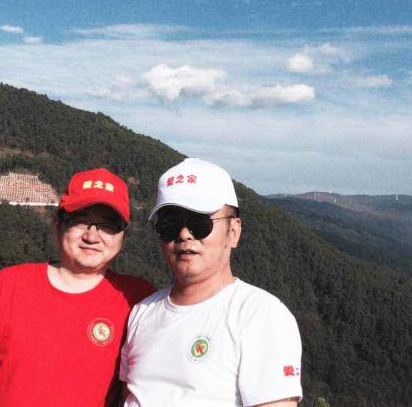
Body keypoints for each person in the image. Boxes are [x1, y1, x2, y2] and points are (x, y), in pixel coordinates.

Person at [0, 168, 155, 407]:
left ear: (123, 237)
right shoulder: (6, 284)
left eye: (108, 226)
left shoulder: (138, 300)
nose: (92, 236)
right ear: (57, 226)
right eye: (80, 221)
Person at [120, 158, 303, 406]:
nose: (184, 234)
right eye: (169, 225)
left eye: (200, 224)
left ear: (233, 231)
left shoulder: (259, 315)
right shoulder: (142, 312)